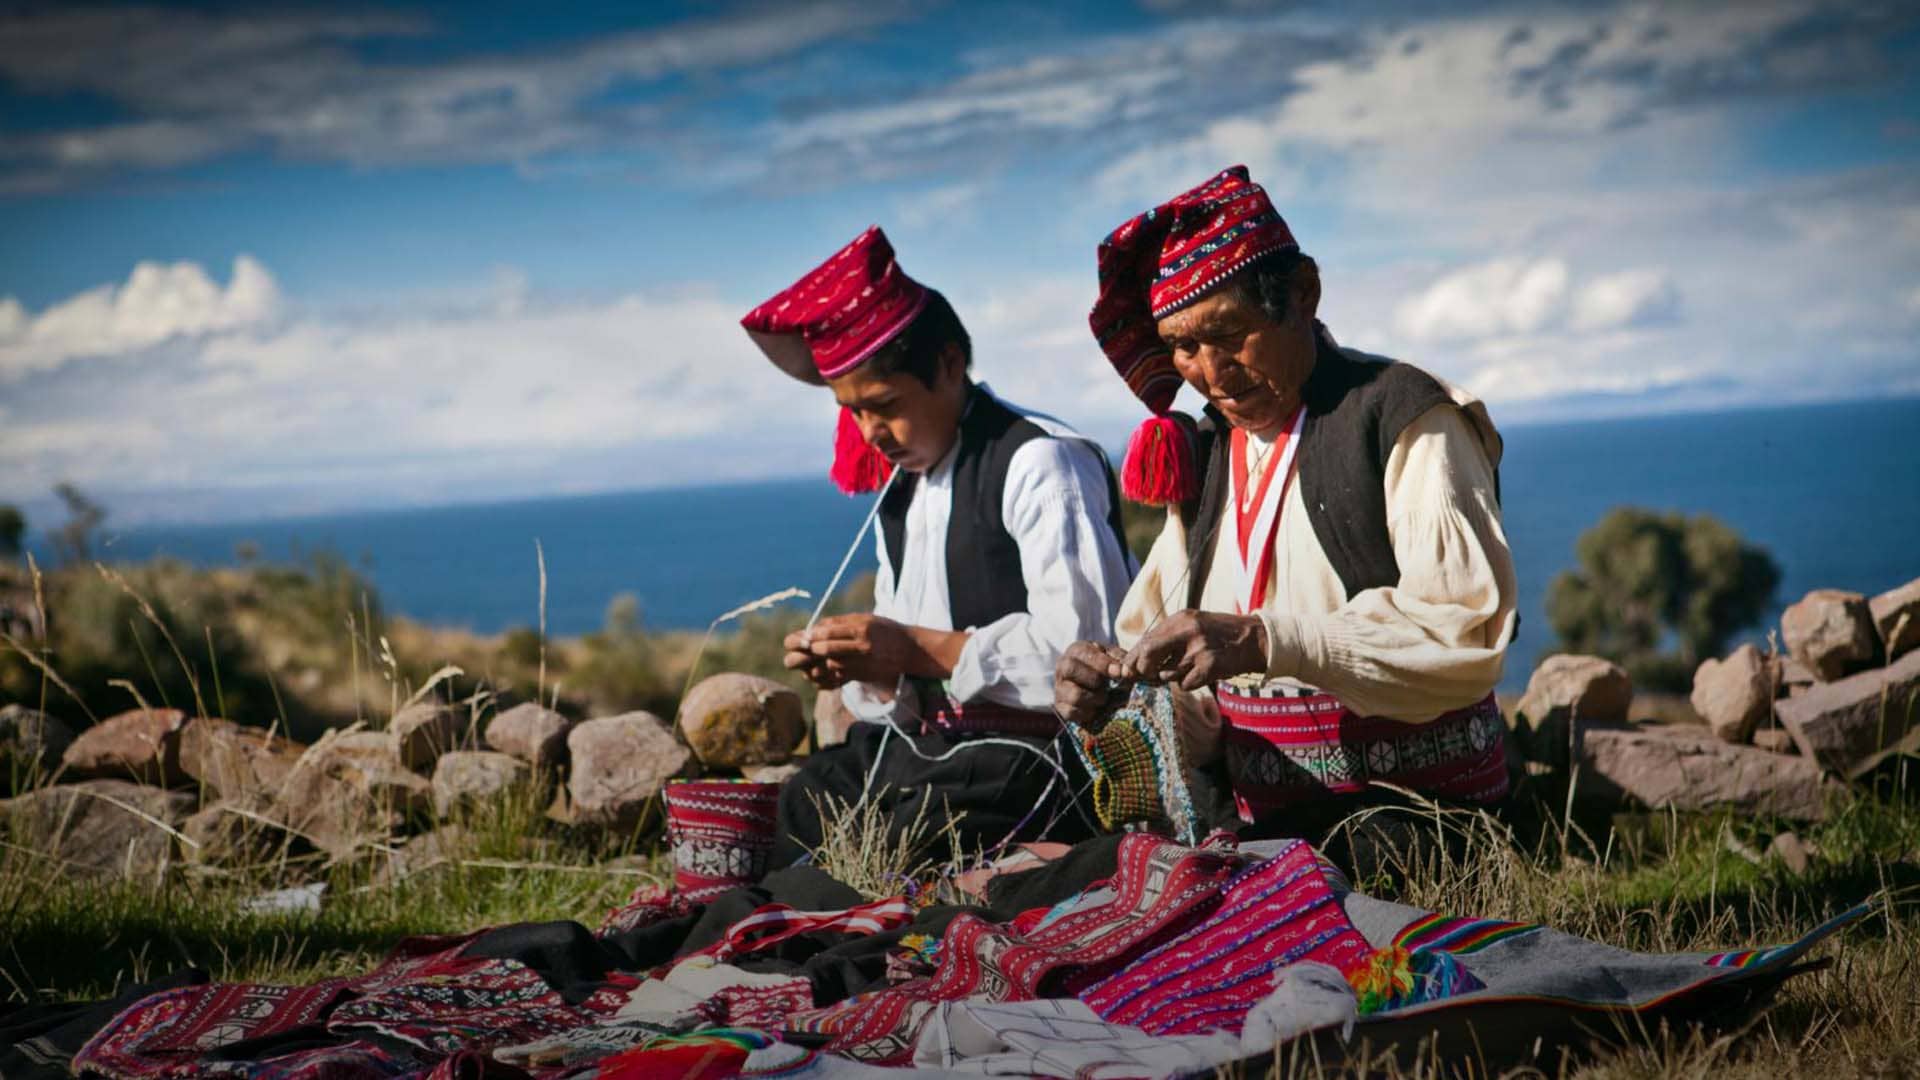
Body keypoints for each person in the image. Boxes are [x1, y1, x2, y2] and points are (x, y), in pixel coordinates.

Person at [1053, 166, 1519, 864]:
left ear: (1304, 295)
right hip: (1260, 831)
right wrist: (1116, 689)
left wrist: (1264, 639)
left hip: (1414, 826)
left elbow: (1466, 633)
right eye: (1184, 347)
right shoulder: (1209, 453)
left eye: (1230, 334)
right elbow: (1183, 678)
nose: (1211, 374)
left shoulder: (1404, 417)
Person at [744, 225, 1135, 870]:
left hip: (1035, 762)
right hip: (933, 753)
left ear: (950, 364)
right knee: (808, 799)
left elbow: (1092, 664)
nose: (871, 432)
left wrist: (919, 649)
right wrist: (865, 667)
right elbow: (903, 685)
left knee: (910, 837)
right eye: (853, 412)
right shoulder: (900, 494)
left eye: (885, 404)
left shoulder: (1041, 463)